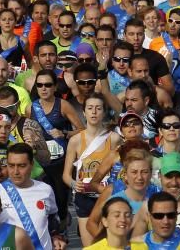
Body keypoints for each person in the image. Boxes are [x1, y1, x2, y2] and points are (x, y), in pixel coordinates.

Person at [63, 95, 121, 245]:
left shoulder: (114, 139)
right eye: (90, 108)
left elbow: (120, 170)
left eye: (98, 108)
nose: (94, 112)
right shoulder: (75, 141)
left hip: (106, 197)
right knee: (89, 246)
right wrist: (75, 184)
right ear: (84, 112)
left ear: (104, 112)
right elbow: (66, 175)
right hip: (84, 198)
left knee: (110, 245)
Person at [0, 143, 63, 250]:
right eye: (11, 165)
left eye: (21, 166)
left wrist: (55, 236)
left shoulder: (46, 189)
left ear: (31, 165)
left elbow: (53, 218)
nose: (15, 172)